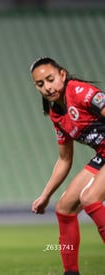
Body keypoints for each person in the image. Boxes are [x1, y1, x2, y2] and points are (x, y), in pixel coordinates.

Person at [30, 57, 105, 275]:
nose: (47, 87)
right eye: (40, 84)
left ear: (62, 75)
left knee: (89, 197)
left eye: (50, 79)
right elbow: (64, 160)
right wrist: (45, 196)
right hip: (102, 155)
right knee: (64, 208)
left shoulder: (80, 92)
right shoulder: (56, 113)